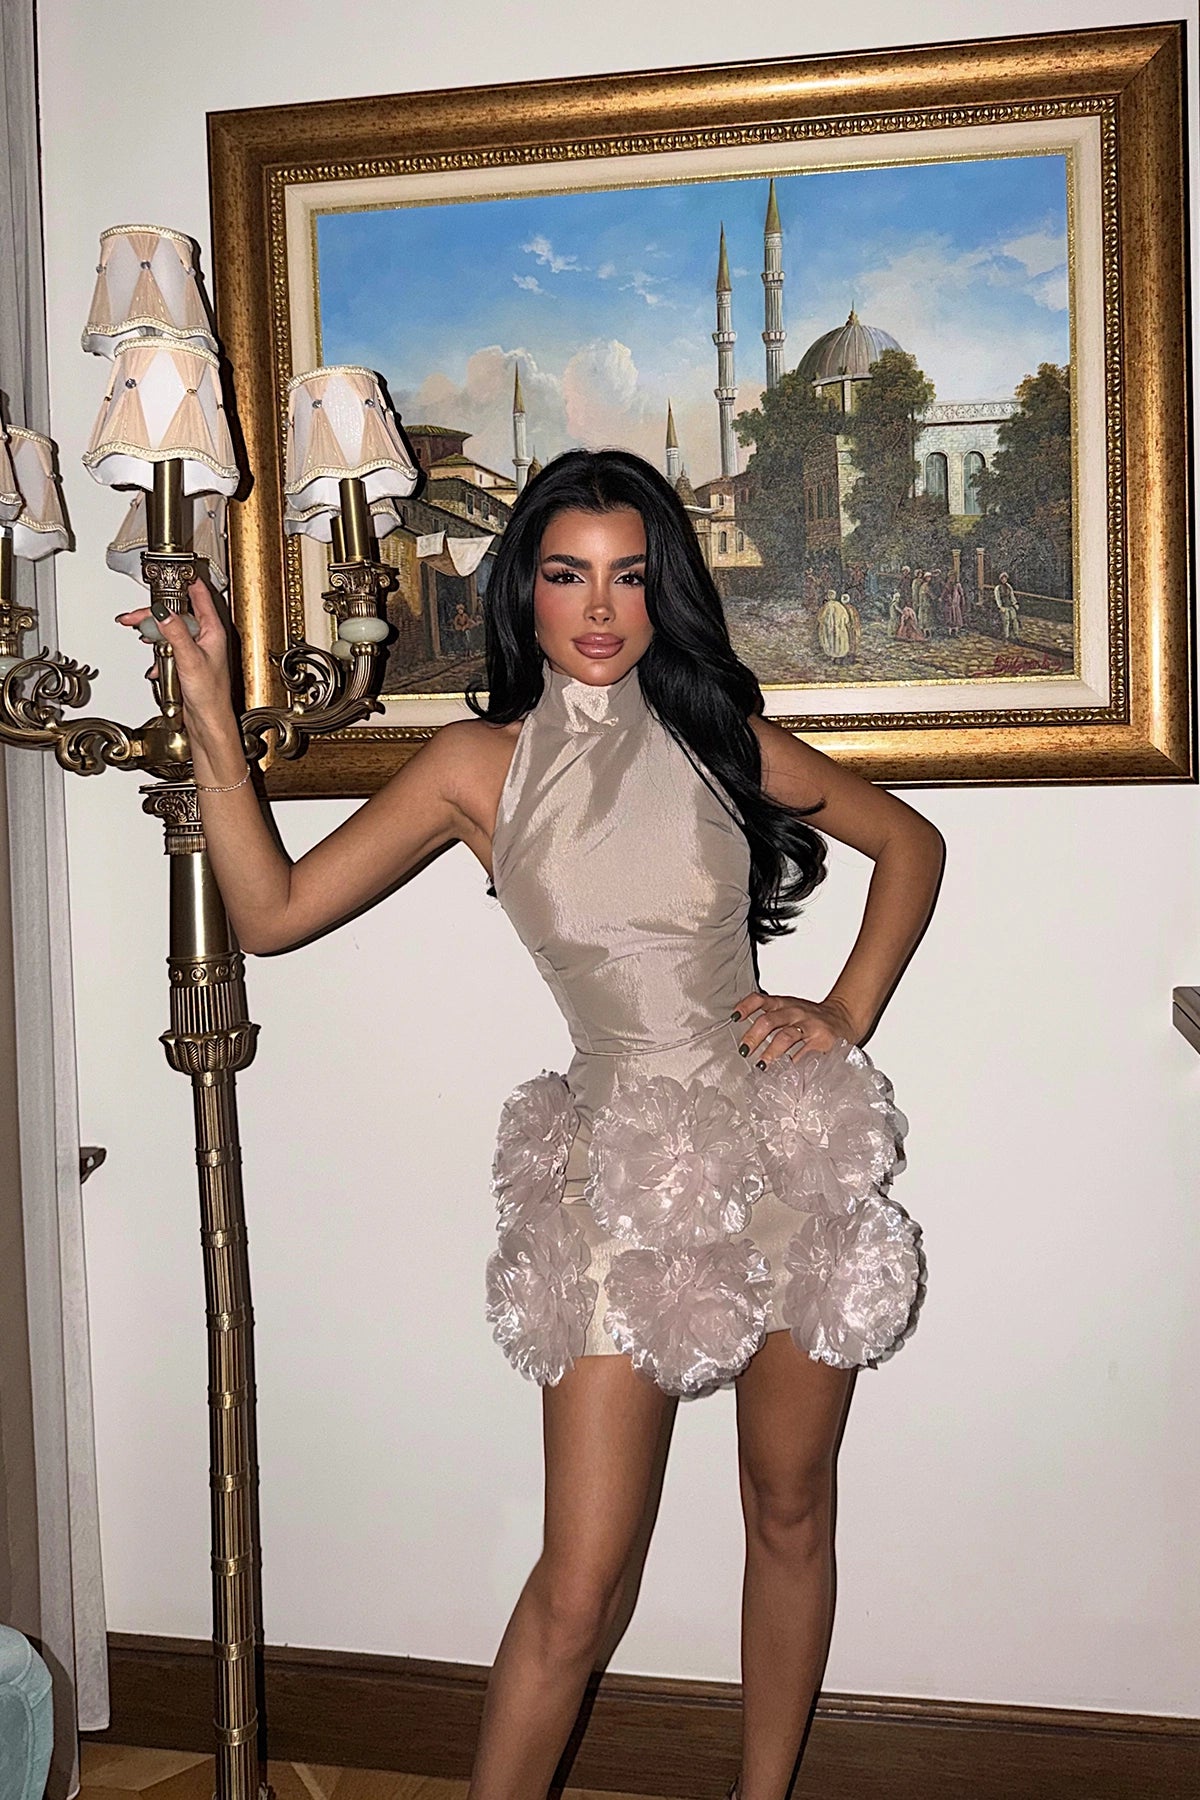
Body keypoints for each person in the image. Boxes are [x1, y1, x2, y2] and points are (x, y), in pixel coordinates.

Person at [118, 449, 943, 1800]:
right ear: (526, 592)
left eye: (629, 576)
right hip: (620, 1175)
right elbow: (268, 914)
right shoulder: (474, 765)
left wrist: (843, 1011)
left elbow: (911, 843)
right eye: (568, 575)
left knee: (791, 1509)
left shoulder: (720, 738)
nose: (600, 609)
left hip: (786, 1158)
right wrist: (208, 709)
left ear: (666, 592)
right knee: (580, 1583)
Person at [815, 588, 852, 662]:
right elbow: (846, 619)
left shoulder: (826, 606)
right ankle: (839, 655)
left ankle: (831, 655)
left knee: (830, 640)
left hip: (828, 628)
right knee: (839, 640)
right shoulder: (840, 606)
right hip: (839, 628)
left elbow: (820, 618)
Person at [994, 572, 1020, 641]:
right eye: (1002, 578)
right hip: (1004, 606)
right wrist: (1000, 607)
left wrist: (1015, 603)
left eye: (1005, 578)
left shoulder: (1009, 586)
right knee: (1006, 621)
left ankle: (1016, 635)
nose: (1004, 580)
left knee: (1014, 620)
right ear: (1000, 579)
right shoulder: (998, 588)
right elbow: (997, 598)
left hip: (1010, 605)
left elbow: (1012, 596)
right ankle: (1006, 636)